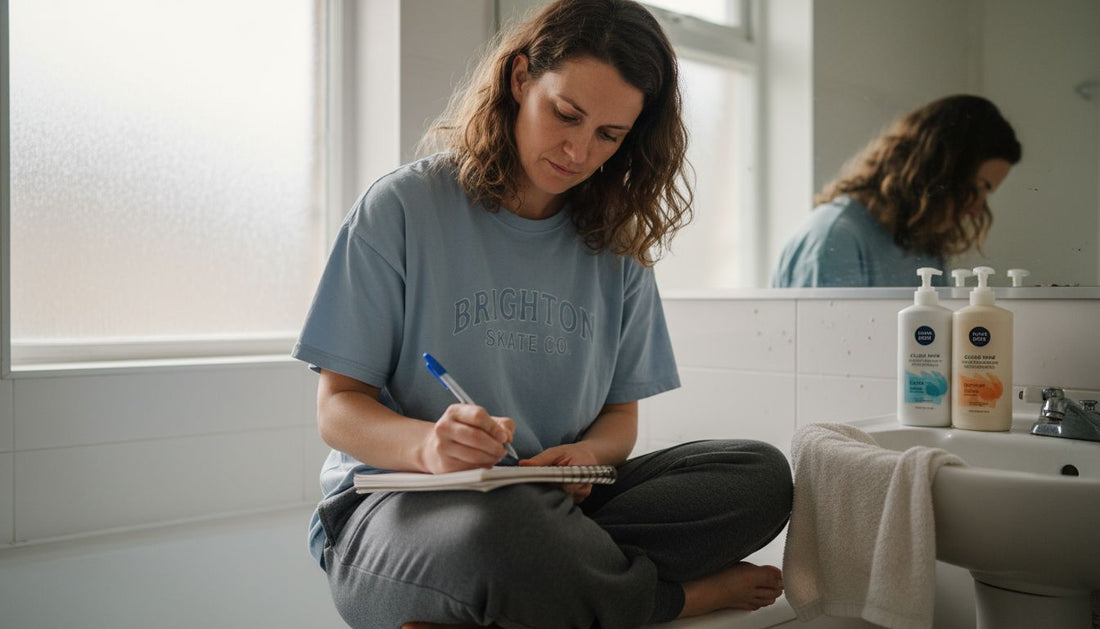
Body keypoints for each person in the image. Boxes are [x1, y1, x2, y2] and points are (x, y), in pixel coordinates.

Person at [292, 1, 793, 627]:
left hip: (554, 512)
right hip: (396, 509)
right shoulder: (400, 208)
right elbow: (338, 408)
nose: (579, 151)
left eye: (609, 136)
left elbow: (619, 420)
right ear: (521, 78)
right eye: (566, 115)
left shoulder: (617, 246)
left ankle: (518, 598)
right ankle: (674, 598)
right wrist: (430, 446)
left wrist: (588, 457)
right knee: (511, 533)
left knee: (760, 477)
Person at [771, 94, 1022, 288]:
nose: (977, 209)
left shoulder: (923, 245)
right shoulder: (836, 236)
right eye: (977, 187)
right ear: (940, 170)